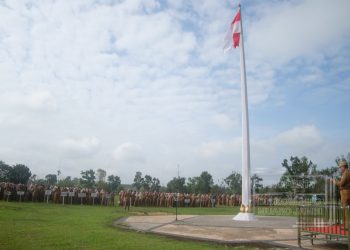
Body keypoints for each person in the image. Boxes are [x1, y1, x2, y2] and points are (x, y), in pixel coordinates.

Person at [332, 160, 350, 227]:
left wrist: (335, 182)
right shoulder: (347, 173)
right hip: (346, 193)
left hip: (345, 194)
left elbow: (341, 183)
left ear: (344, 166)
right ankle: (346, 225)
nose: (340, 169)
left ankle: (347, 226)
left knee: (346, 210)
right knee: (346, 209)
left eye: (340, 167)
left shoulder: (346, 173)